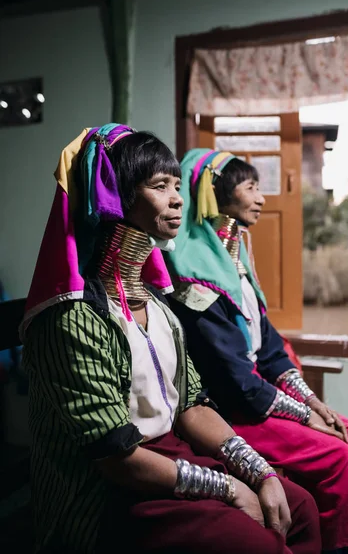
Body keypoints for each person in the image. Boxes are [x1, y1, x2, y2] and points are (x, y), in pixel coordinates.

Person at [21, 126, 321, 554]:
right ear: (113, 197)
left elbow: (192, 404)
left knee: (300, 507)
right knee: (253, 541)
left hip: (168, 458)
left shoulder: (159, 309)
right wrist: (227, 488)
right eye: (159, 186)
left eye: (178, 186)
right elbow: (115, 457)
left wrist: (260, 472)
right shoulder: (72, 318)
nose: (178, 198)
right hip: (106, 490)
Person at [165, 148, 348, 554]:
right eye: (250, 187)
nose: (262, 198)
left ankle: (346, 543)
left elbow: (270, 353)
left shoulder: (237, 266)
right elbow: (237, 381)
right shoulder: (194, 278)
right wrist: (305, 416)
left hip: (256, 396)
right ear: (216, 194)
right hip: (233, 409)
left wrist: (314, 403)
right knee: (334, 455)